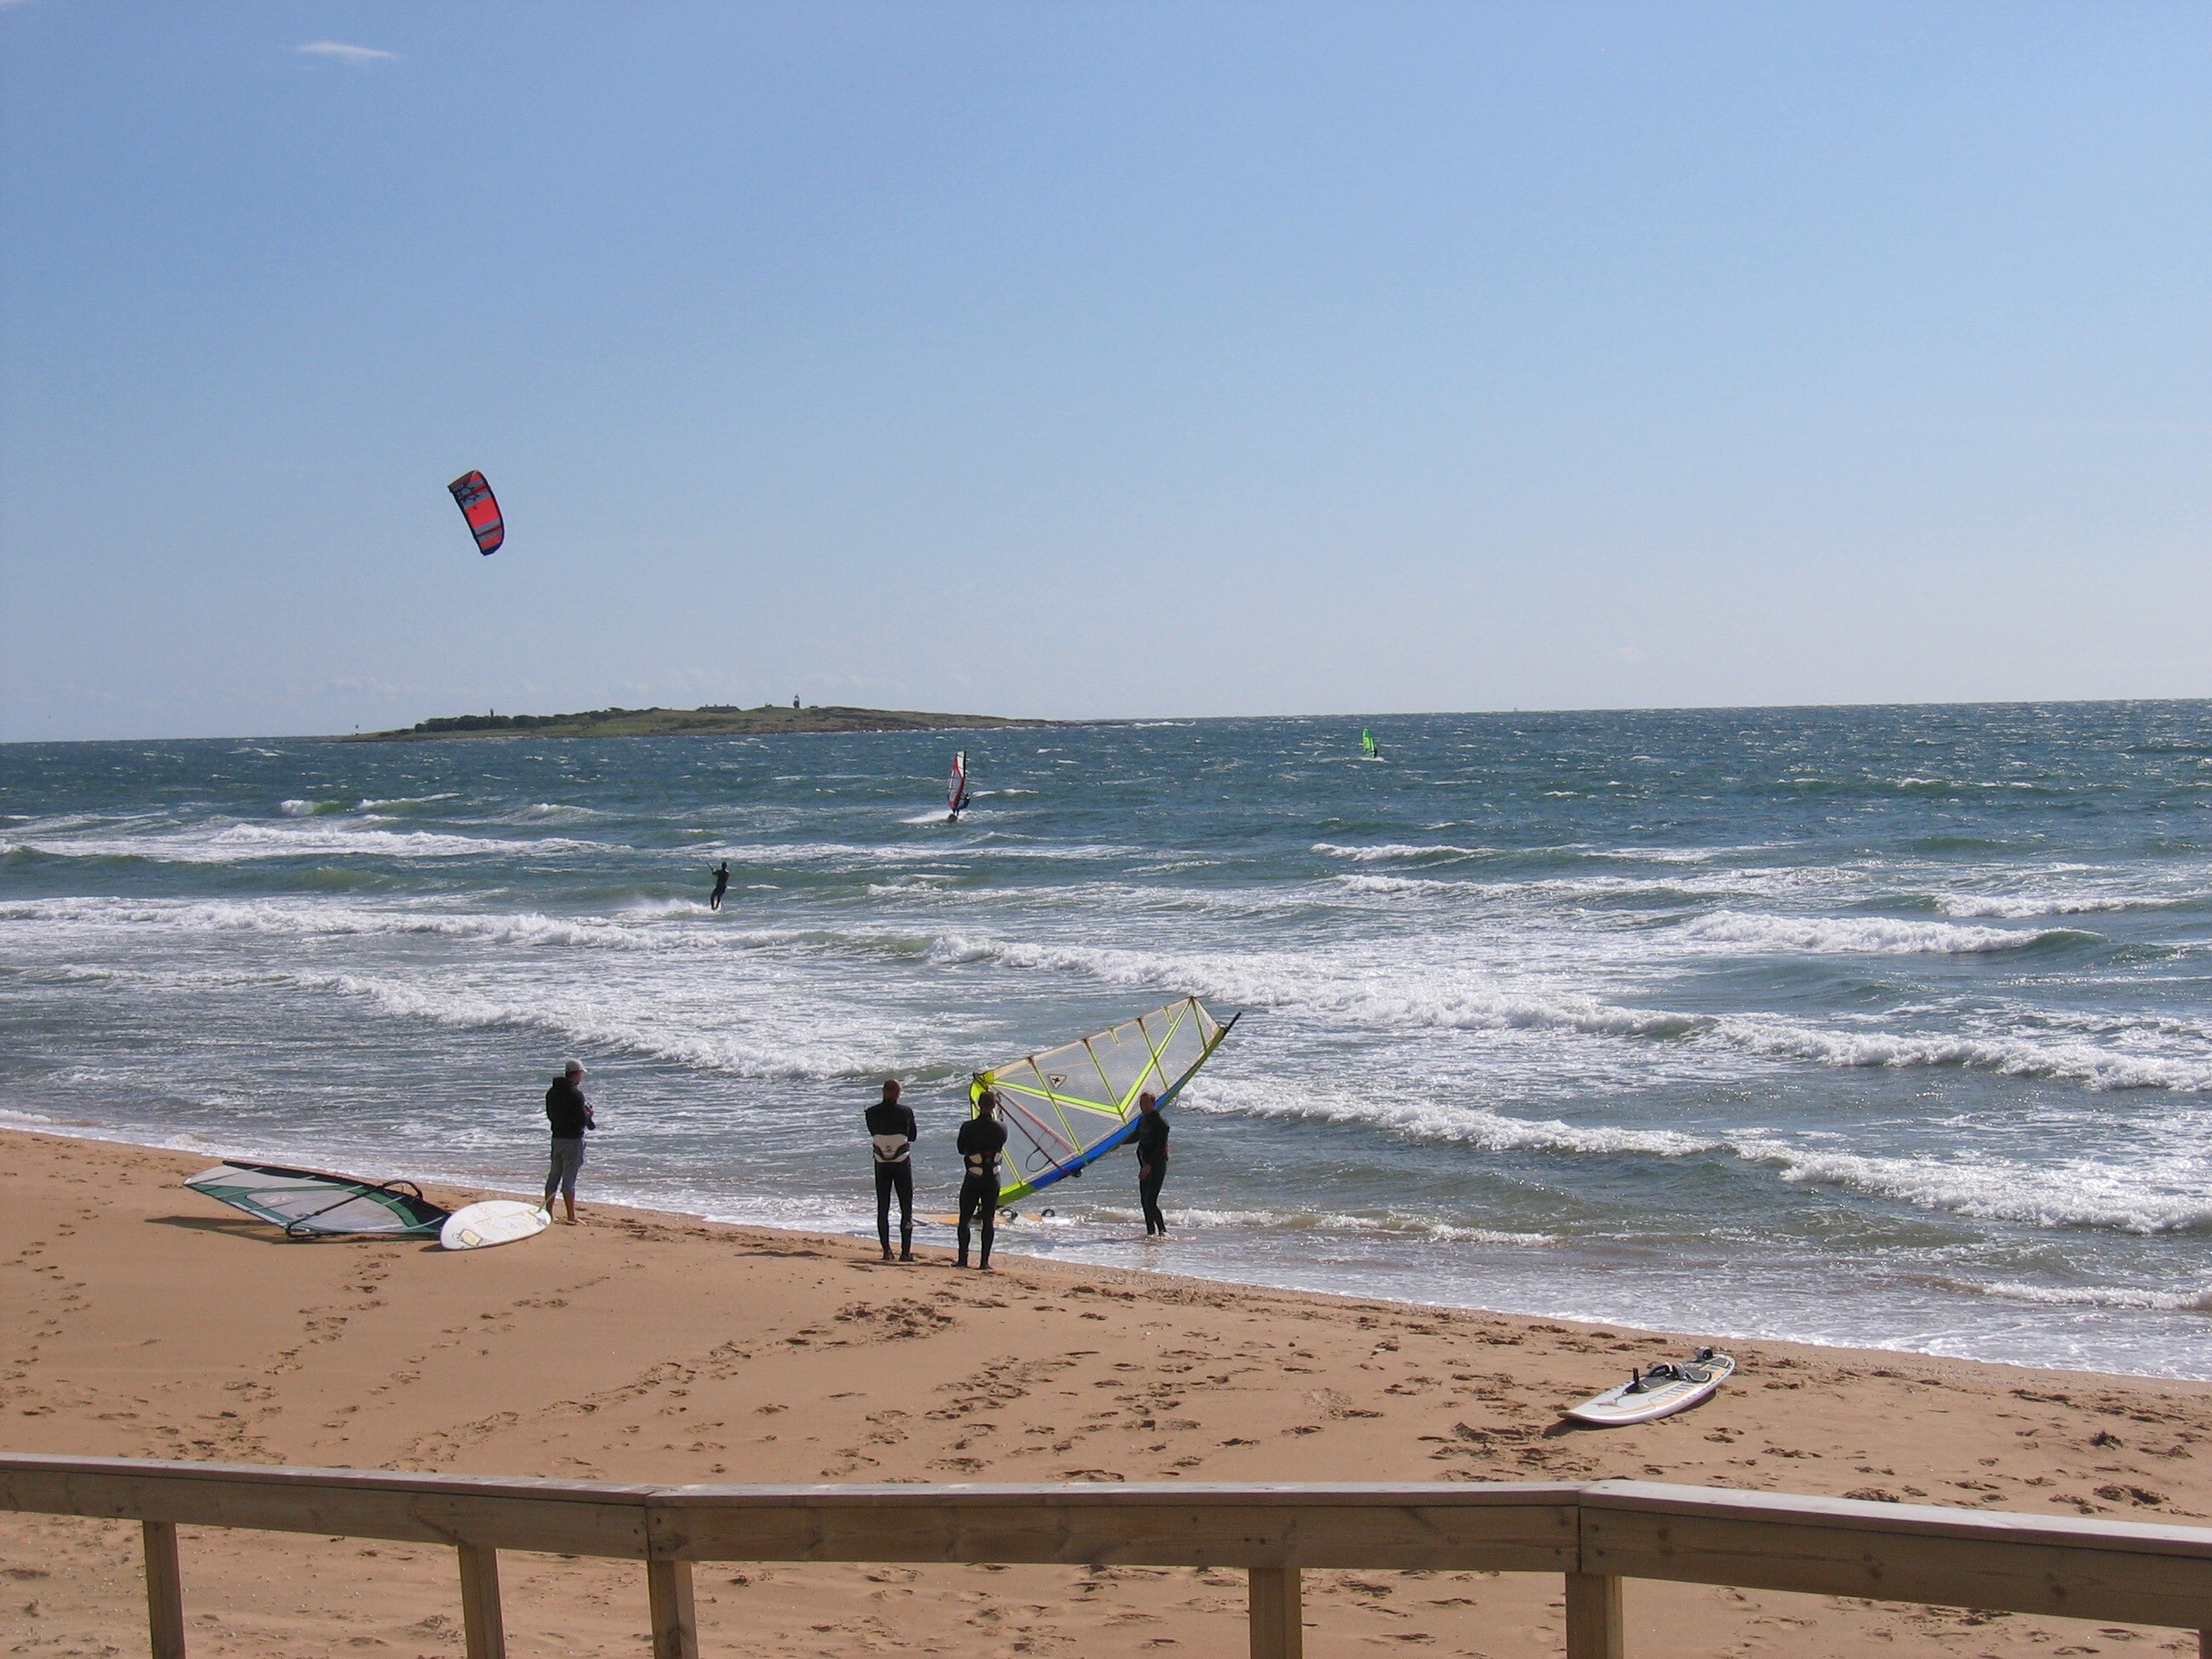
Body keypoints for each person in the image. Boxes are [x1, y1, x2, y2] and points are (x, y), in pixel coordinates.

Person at [864, 1079, 917, 1262]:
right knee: (906, 1206)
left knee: (883, 1206)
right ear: (898, 1093)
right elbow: (913, 1137)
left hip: (881, 1163)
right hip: (902, 1163)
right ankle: (905, 1252)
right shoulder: (906, 1112)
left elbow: (873, 1133)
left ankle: (886, 1251)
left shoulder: (871, 1113)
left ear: (883, 1091)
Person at [955, 1089, 1009, 1270]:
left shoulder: (968, 1127)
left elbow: (961, 1149)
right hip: (992, 1179)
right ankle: (984, 1262)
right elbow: (1000, 1144)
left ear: (978, 1105)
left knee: (965, 1220)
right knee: (989, 1219)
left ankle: (963, 1260)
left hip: (973, 1178)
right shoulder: (1002, 1128)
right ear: (994, 1106)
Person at [543, 1059, 594, 1224]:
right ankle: (571, 1217)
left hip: (557, 1138)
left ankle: (549, 1213)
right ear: (577, 1074)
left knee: (554, 1177)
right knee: (569, 1180)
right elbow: (581, 1120)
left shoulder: (552, 1092)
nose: (582, 1077)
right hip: (573, 1140)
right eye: (581, 1074)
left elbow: (551, 1115)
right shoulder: (576, 1094)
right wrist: (589, 1115)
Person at [1132, 1089, 1169, 1237]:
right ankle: (1150, 1233)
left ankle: (1163, 1232)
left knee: (1150, 1201)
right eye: (1141, 1103)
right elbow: (1136, 1136)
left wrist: (1149, 1166)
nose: (1143, 1106)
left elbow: (1161, 1148)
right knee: (1144, 1201)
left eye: (1147, 1103)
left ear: (1153, 1103)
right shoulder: (1143, 1119)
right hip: (1145, 1162)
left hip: (1157, 1164)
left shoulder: (1161, 1123)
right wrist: (1117, 1144)